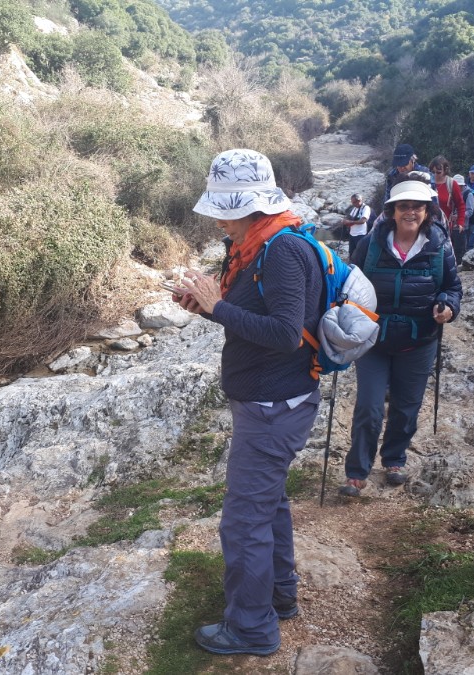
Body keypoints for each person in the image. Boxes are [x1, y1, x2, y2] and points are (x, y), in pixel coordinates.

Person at [176, 149, 324, 657]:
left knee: (244, 522)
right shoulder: (254, 245)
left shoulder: (280, 251)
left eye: (223, 204)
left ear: (248, 204)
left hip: (273, 406)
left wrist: (217, 306)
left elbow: (285, 334)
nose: (216, 214)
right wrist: (209, 309)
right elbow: (261, 319)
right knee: (269, 506)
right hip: (272, 403)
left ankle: (251, 629)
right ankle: (279, 597)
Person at [338, 175, 462, 497]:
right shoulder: (372, 244)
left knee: (406, 407)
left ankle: (394, 459)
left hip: (419, 341)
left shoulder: (439, 245)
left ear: (427, 211)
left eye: (417, 207)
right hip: (373, 340)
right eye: (403, 206)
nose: (410, 212)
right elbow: (350, 282)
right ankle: (357, 470)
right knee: (369, 406)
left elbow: (452, 287)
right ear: (392, 211)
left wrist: (447, 306)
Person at [429, 156, 466, 256]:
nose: (435, 175)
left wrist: (460, 222)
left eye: (438, 172)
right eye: (433, 172)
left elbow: (460, 204)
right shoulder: (427, 183)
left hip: (445, 226)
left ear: (445, 170)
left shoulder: (451, 184)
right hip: (428, 224)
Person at [384, 143, 429, 208]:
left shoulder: (425, 173)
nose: (402, 168)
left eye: (405, 164)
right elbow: (387, 201)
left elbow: (433, 202)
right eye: (399, 165)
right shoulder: (392, 176)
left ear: (412, 160)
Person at [342, 193, 371, 258]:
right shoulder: (355, 208)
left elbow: (363, 221)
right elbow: (351, 217)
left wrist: (350, 222)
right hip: (352, 234)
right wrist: (345, 221)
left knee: (360, 253)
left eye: (354, 202)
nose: (353, 204)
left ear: (359, 200)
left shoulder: (366, 208)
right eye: (352, 202)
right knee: (351, 252)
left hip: (360, 234)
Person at [453, 174, 474, 256]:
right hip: (451, 226)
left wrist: (458, 216)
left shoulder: (468, 194)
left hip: (462, 226)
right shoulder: (452, 193)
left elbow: (470, 211)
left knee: (460, 249)